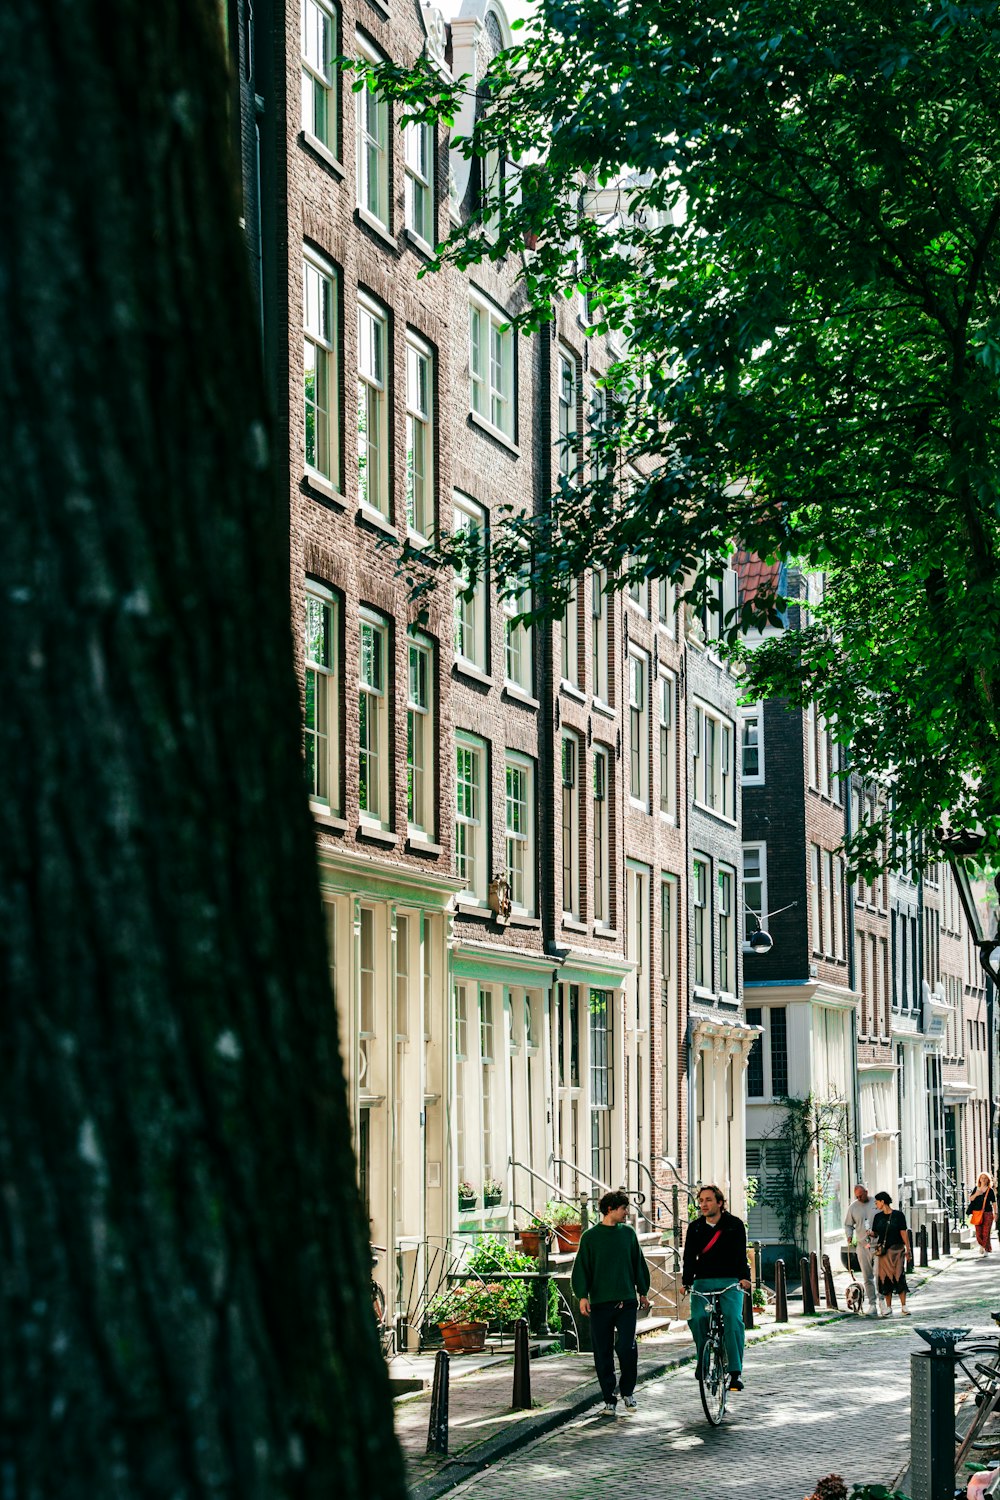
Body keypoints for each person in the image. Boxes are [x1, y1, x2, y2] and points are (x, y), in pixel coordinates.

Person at [571, 1190, 651, 1417]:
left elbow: (638, 1263)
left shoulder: (628, 1234)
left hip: (626, 1302)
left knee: (627, 1347)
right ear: (610, 1209)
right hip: (599, 1304)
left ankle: (627, 1392)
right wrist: (582, 1296)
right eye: (623, 1208)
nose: (627, 1212)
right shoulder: (590, 1237)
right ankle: (609, 1398)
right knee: (602, 1352)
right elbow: (582, 1268)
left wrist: (643, 1292)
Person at [683, 1184, 752, 1392]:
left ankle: (734, 1372)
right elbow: (688, 1257)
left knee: (733, 1319)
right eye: (701, 1201)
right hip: (702, 1282)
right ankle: (703, 1361)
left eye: (708, 1200)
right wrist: (686, 1282)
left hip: (730, 1281)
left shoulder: (735, 1225)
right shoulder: (695, 1228)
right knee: (698, 1319)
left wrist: (744, 1278)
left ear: (720, 1203)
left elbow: (741, 1255)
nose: (703, 1204)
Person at [871, 1192, 913, 1316]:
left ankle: (904, 1306)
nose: (876, 1204)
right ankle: (888, 1307)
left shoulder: (898, 1215)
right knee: (885, 1278)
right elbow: (876, 1233)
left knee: (899, 1275)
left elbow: (903, 1232)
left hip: (897, 1250)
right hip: (883, 1252)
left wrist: (908, 1249)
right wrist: (870, 1233)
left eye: (877, 1201)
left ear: (882, 1202)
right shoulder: (877, 1217)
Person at [844, 1184, 879, 1317]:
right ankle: (872, 1304)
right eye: (857, 1196)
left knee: (879, 1274)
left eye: (861, 1195)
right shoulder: (853, 1207)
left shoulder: (876, 1203)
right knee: (867, 1276)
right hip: (862, 1245)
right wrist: (849, 1235)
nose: (859, 1198)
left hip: (877, 1244)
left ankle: (882, 1301)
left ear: (867, 1192)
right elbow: (848, 1224)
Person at [967, 1173, 997, 1256]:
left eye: (985, 1178)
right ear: (979, 1179)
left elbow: (994, 1202)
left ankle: (984, 1248)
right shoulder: (976, 1189)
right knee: (978, 1233)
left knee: (986, 1232)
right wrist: (977, 1193)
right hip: (977, 1213)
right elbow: (971, 1199)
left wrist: (996, 1213)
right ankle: (986, 1247)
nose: (983, 1180)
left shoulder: (990, 1190)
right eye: (982, 1178)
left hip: (988, 1213)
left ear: (988, 1180)